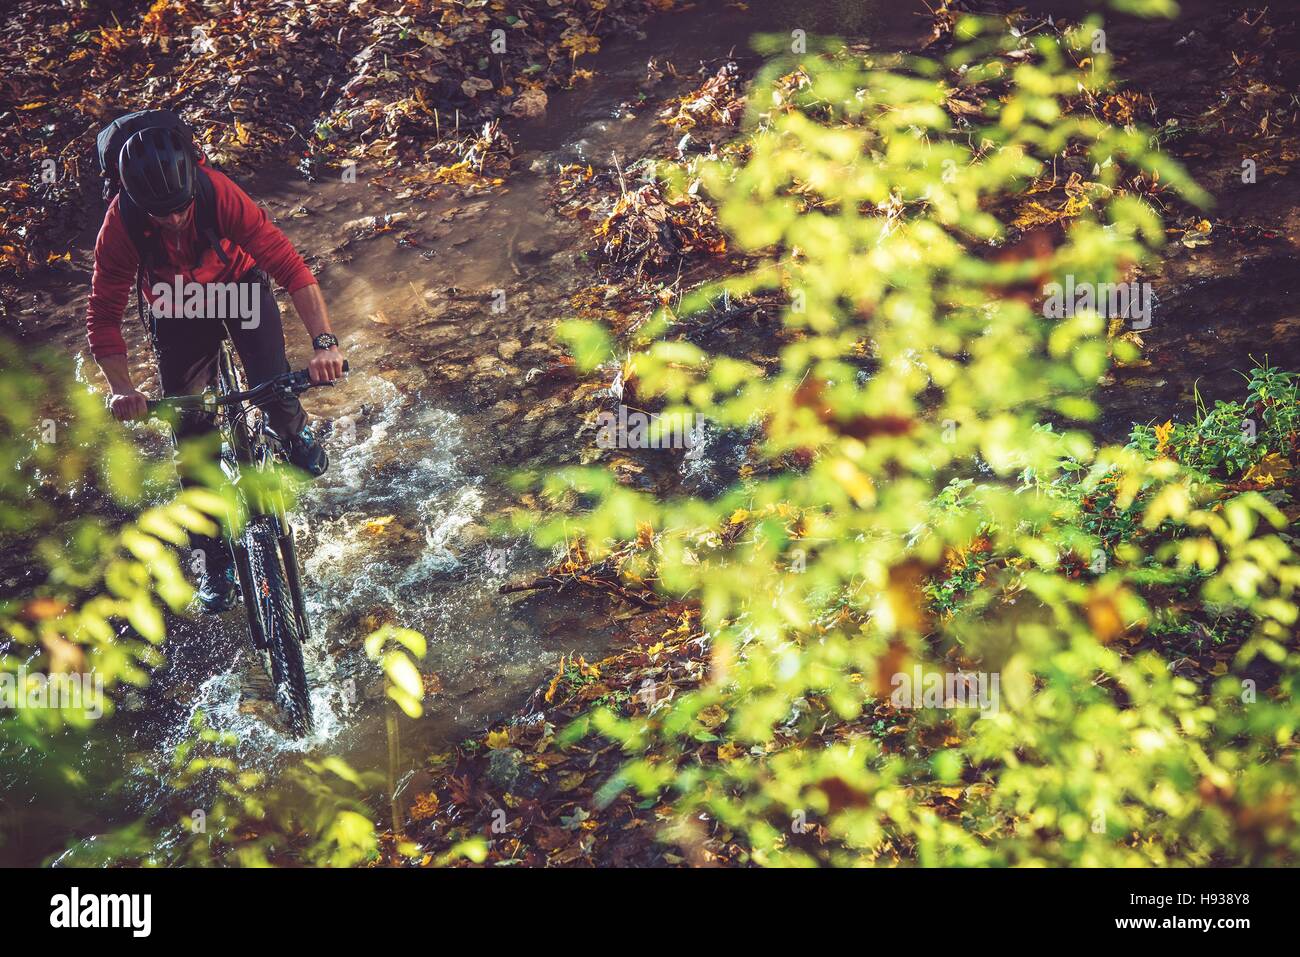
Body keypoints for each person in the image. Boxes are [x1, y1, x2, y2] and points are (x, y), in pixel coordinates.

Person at [86, 124, 347, 612]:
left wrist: (324, 344)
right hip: (175, 304)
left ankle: (295, 435)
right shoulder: (119, 225)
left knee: (272, 382)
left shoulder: (219, 193)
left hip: (239, 284)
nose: (175, 220)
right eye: (160, 215)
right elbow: (103, 314)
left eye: (181, 208)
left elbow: (290, 268)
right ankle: (213, 559)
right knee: (192, 436)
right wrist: (122, 388)